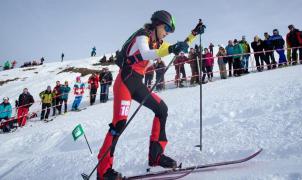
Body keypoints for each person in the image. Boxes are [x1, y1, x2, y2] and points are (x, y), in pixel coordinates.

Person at [96, 10, 202, 179]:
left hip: (137, 84)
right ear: (158, 24)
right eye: (167, 28)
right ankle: (103, 171)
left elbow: (180, 45)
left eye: (170, 31)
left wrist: (193, 34)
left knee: (161, 109)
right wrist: (171, 48)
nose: (167, 33)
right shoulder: (142, 35)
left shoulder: (158, 43)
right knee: (118, 125)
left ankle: (156, 156)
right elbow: (145, 53)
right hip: (124, 83)